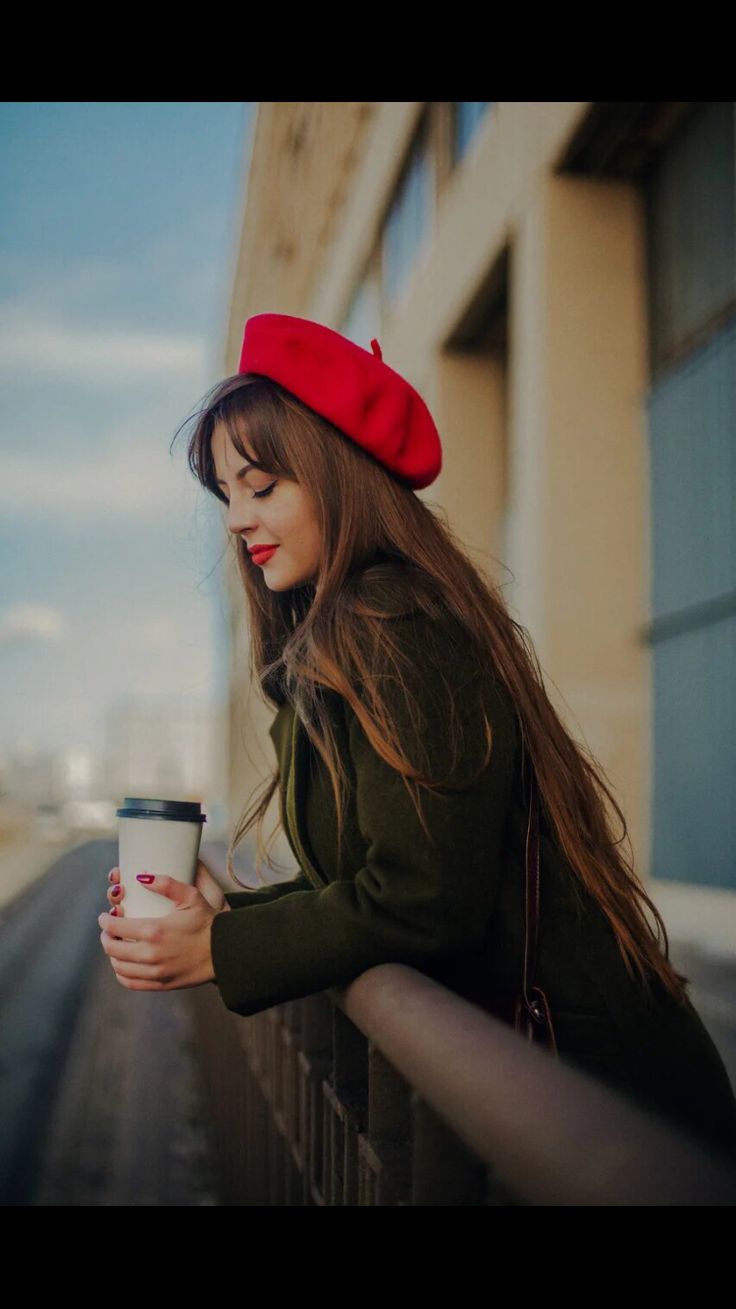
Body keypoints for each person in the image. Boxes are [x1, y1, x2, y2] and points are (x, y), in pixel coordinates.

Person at [99, 312, 736, 1169]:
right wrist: (224, 917)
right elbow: (377, 880)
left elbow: (423, 894)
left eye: (261, 485)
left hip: (594, 1101)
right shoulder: (349, 634)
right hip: (545, 1085)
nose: (235, 520)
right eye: (227, 493)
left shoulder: (390, 620)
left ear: (336, 477)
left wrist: (218, 948)